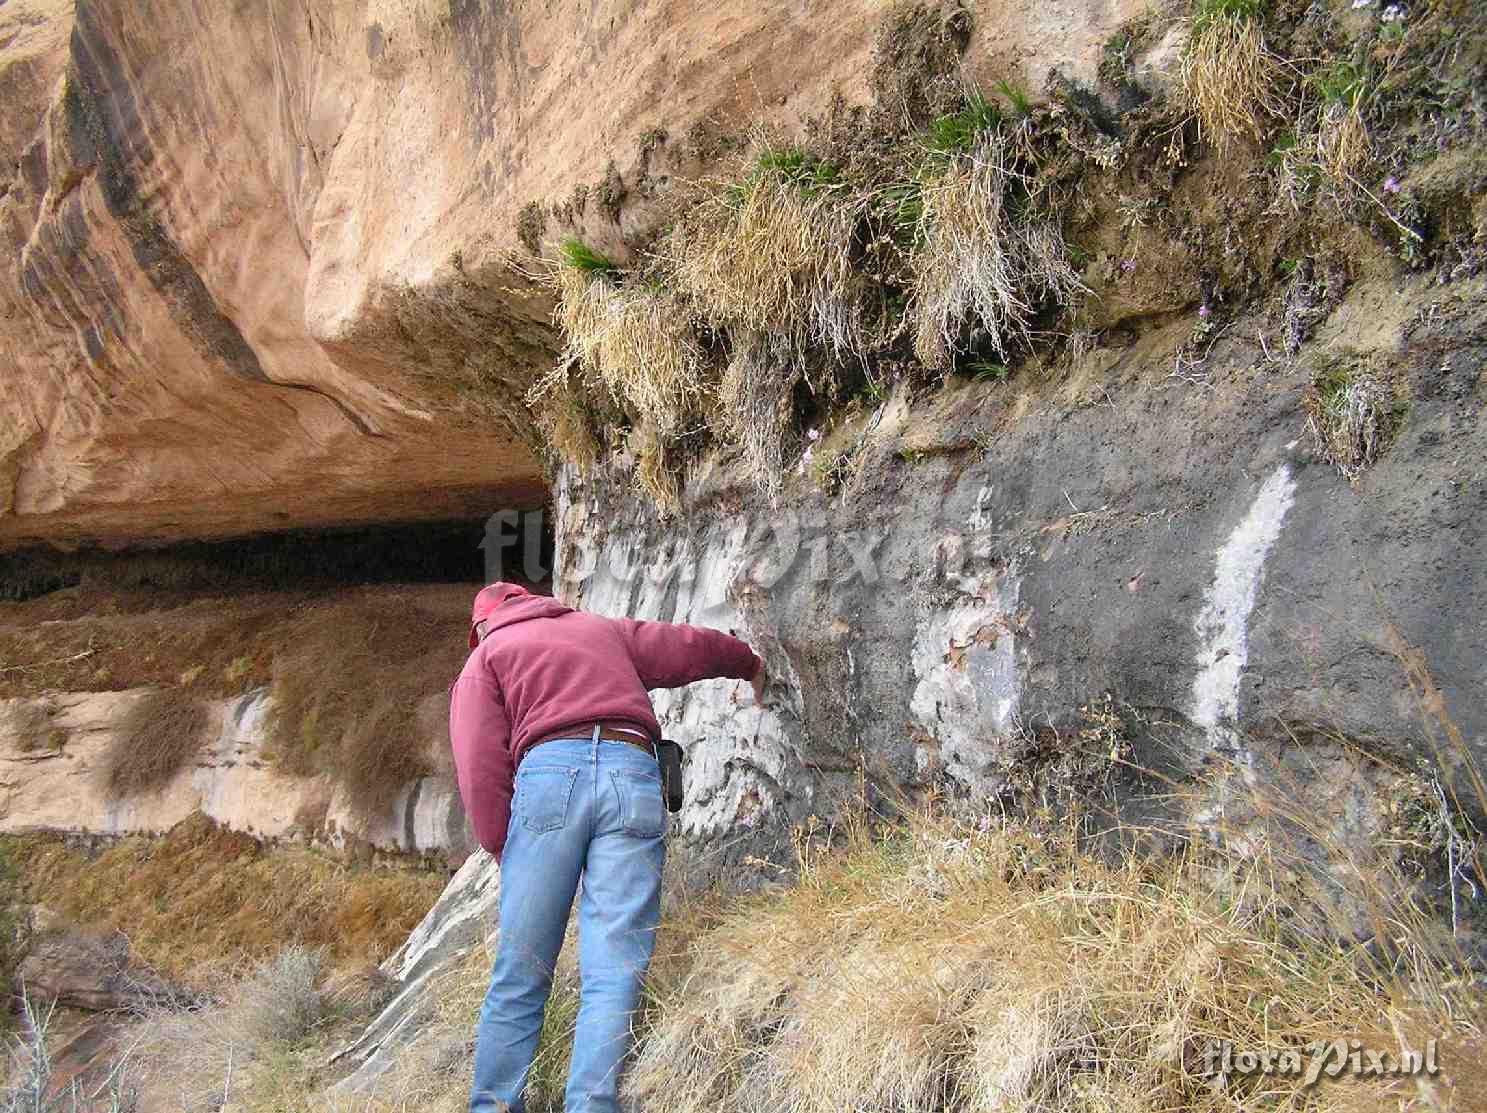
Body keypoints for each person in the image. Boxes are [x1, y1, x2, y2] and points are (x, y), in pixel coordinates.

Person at [449, 581, 765, 1113]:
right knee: (613, 966)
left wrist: (501, 844)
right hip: (632, 771)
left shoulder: (487, 659)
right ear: (534, 602)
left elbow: (480, 764)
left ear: (480, 627)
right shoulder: (599, 630)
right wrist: (749, 663)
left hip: (549, 781)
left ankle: (495, 1106)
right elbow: (685, 647)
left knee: (522, 970)